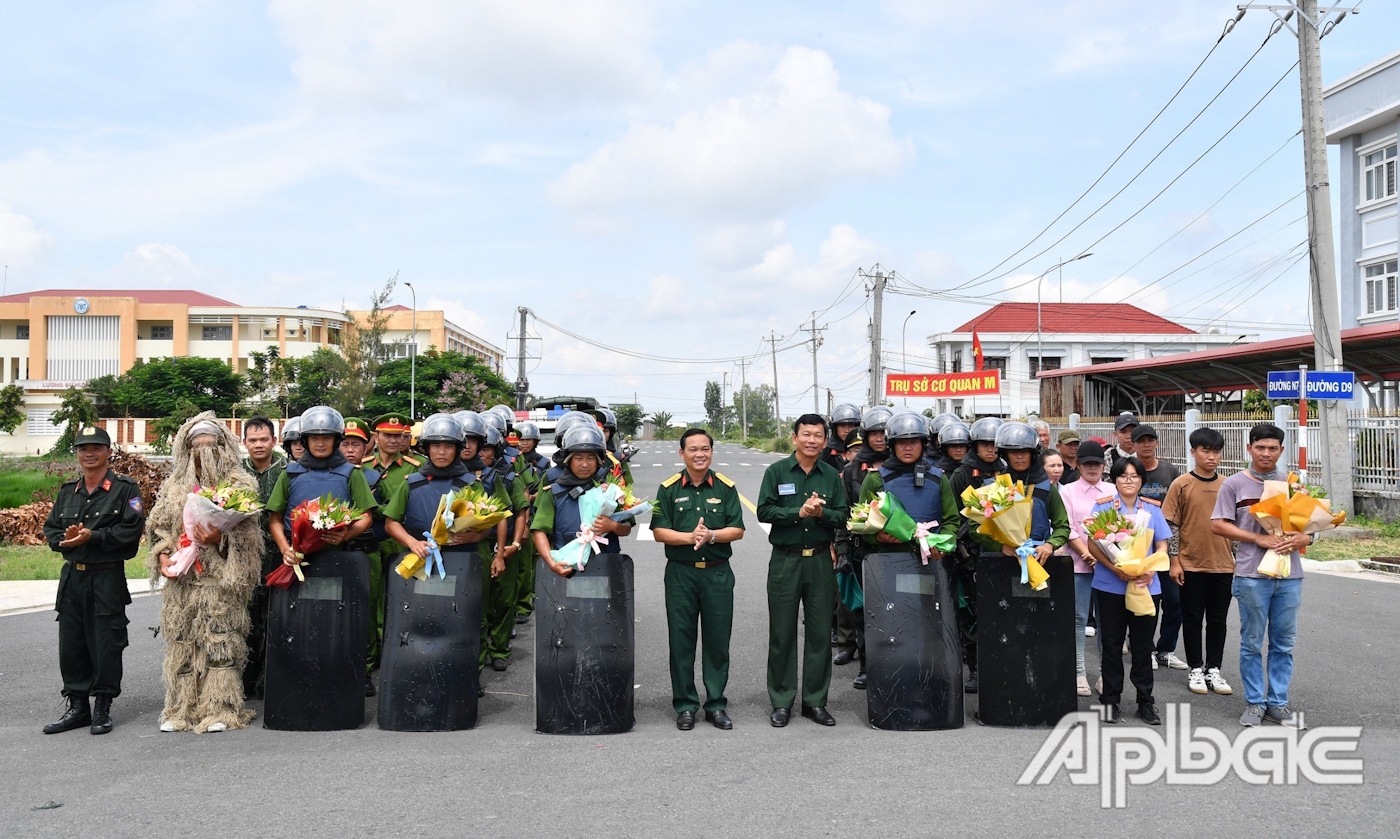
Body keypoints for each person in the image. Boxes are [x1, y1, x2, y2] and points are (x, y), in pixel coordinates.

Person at [147, 414, 262, 733]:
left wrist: (221, 537)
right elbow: (159, 529)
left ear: (224, 447)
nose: (203, 452)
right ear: (185, 449)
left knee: (220, 641)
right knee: (183, 641)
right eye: (196, 447)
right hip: (183, 581)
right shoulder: (173, 487)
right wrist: (163, 556)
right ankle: (181, 708)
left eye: (210, 446)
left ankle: (220, 708)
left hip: (219, 580)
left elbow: (251, 536)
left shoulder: (238, 485)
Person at [41, 426, 146, 736]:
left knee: (106, 641)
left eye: (96, 447)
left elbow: (130, 532)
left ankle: (102, 706)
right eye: (83, 448)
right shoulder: (66, 492)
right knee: (71, 643)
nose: (89, 453)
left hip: (106, 576)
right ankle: (77, 707)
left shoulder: (125, 489)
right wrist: (66, 540)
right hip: (73, 577)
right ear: (76, 452)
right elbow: (51, 531)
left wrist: (94, 535)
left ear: (107, 451)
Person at [1211, 423, 1309, 729]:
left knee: (1284, 643)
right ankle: (1255, 702)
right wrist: (1258, 539)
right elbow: (1218, 525)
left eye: (1273, 448)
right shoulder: (1234, 485)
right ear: (1249, 448)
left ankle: (1278, 703)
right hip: (1252, 574)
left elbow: (1309, 526)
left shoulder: (1293, 484)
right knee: (1252, 642)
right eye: (1260, 447)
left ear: (1281, 450)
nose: (1266, 453)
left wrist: (1306, 539)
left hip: (1289, 575)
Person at [854, 412, 959, 690]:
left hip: (929, 565)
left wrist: (941, 545)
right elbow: (860, 523)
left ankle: (931, 681)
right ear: (891, 445)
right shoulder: (875, 480)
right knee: (888, 624)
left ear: (924, 444)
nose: (908, 447)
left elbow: (952, 521)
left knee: (929, 624)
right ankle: (883, 676)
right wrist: (880, 537)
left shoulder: (939, 478)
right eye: (902, 442)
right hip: (888, 566)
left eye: (915, 442)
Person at [757, 414, 848, 728]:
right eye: (806, 434)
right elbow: (764, 510)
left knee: (821, 633)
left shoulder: (831, 474)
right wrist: (798, 511)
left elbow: (842, 516)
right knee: (781, 633)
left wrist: (821, 513)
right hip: (785, 559)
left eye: (818, 435)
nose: (812, 440)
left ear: (825, 441)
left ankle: (815, 702)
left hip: (821, 560)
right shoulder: (777, 471)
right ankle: (782, 701)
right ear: (794, 437)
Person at [650, 428, 745, 731]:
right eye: (693, 449)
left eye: (705, 449)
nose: (699, 454)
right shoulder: (668, 489)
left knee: (718, 641)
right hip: (681, 574)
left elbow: (738, 529)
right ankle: (685, 705)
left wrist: (712, 535)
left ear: (711, 452)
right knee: (681, 641)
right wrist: (689, 537)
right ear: (682, 454)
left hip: (717, 573)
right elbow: (658, 531)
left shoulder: (726, 487)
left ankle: (716, 704)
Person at [1086, 456, 1170, 725]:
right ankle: (1110, 701)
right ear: (1115, 479)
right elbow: (1093, 545)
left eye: (1135, 476)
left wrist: (1151, 569)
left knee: (1143, 646)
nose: (1129, 480)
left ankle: (1145, 701)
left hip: (1146, 586)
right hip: (1111, 586)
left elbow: (1162, 546)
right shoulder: (1103, 509)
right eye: (1123, 476)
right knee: (1111, 645)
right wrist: (1116, 569)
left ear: (1142, 480)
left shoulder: (1153, 509)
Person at [265, 406, 379, 594]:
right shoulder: (290, 474)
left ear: (336, 440)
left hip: (338, 556)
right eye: (314, 438)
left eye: (326, 438)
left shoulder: (351, 473)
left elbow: (366, 516)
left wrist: (347, 534)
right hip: (295, 560)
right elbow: (275, 519)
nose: (320, 443)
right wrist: (286, 550)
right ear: (305, 440)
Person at [1163, 427, 1235, 697]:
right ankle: (1195, 667)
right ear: (1193, 452)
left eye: (1216, 451)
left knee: (1219, 620)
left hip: (1223, 565)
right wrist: (1174, 560)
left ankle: (1213, 668)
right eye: (1205, 451)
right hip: (1190, 563)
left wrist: (1237, 558)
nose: (1211, 457)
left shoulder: (1228, 484)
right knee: (1192, 618)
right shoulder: (1181, 484)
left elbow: (1235, 524)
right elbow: (1170, 525)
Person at [947, 415, 1005, 694]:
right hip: (971, 553)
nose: (991, 449)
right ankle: (975, 669)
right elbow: (952, 513)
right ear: (975, 445)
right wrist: (967, 540)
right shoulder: (961, 473)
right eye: (985, 444)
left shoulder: (1007, 470)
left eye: (995, 444)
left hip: (1004, 550)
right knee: (972, 612)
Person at [532, 424, 633, 576]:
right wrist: (552, 563)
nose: (585, 464)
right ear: (568, 461)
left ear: (599, 460)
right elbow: (539, 531)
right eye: (578, 458)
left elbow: (627, 528)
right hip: (567, 568)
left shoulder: (612, 490)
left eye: (590, 458)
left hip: (605, 567)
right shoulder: (553, 492)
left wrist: (612, 526)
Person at [832, 406, 891, 668]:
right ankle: (868, 665)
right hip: (862, 549)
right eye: (874, 432)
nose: (879, 438)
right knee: (862, 609)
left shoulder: (907, 465)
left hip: (900, 549)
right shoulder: (853, 469)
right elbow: (843, 513)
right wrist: (842, 551)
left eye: (884, 432)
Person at [1059, 440, 1112, 697]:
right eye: (1088, 463)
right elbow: (1066, 527)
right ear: (1078, 465)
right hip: (1078, 563)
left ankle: (1105, 673)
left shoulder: (1112, 490)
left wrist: (1102, 557)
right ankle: (1079, 672)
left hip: (1108, 566)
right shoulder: (1067, 490)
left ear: (1104, 465)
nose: (1093, 468)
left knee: (1107, 621)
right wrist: (1086, 553)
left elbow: (1120, 526)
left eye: (1097, 463)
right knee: (1079, 619)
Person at [1132, 424, 1185, 671]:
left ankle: (1166, 649)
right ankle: (1146, 648)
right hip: (1136, 546)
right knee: (1146, 600)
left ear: (1156, 443)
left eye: (1150, 440)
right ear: (1132, 445)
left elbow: (1181, 506)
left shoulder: (1170, 471)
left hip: (1168, 545)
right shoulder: (1130, 471)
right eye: (1140, 441)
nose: (1146, 445)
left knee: (1174, 601)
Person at [240, 416, 285, 700]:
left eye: (264, 439)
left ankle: (272, 679)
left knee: (276, 616)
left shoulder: (288, 471)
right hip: (243, 558)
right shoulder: (234, 473)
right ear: (244, 443)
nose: (258, 445)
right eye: (253, 440)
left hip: (278, 555)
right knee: (246, 618)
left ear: (274, 441)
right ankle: (246, 677)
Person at [479, 424, 530, 671]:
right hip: (475, 546)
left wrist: (516, 543)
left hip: (505, 543)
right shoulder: (462, 477)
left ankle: (499, 648)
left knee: (503, 599)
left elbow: (521, 510)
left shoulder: (508, 477)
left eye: (486, 448)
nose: (479, 452)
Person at [341, 417, 386, 691]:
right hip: (337, 550)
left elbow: (390, 511)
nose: (349, 450)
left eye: (355, 444)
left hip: (368, 549)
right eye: (344, 443)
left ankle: (367, 668)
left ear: (367, 445)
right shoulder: (331, 475)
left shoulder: (375, 476)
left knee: (368, 612)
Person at [511, 421, 552, 623]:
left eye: (527, 440)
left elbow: (543, 490)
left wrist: (533, 499)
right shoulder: (510, 460)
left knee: (531, 562)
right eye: (521, 440)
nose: (523, 443)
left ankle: (527, 601)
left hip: (534, 513)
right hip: (514, 513)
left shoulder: (543, 464)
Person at [821, 403, 862, 471]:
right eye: (842, 426)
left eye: (851, 426)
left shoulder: (864, 452)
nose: (846, 430)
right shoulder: (826, 454)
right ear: (835, 428)